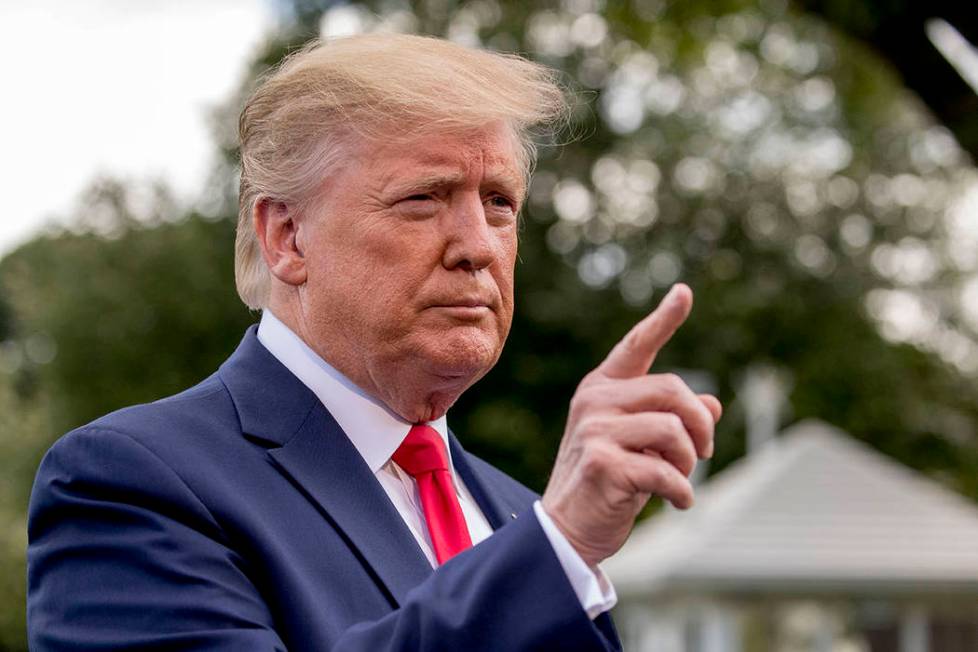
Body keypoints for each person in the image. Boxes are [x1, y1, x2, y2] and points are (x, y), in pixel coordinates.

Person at [27, 34, 720, 650]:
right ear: (286, 237)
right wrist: (554, 552)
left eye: (500, 203)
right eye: (424, 198)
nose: (478, 246)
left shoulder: (518, 510)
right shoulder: (131, 485)